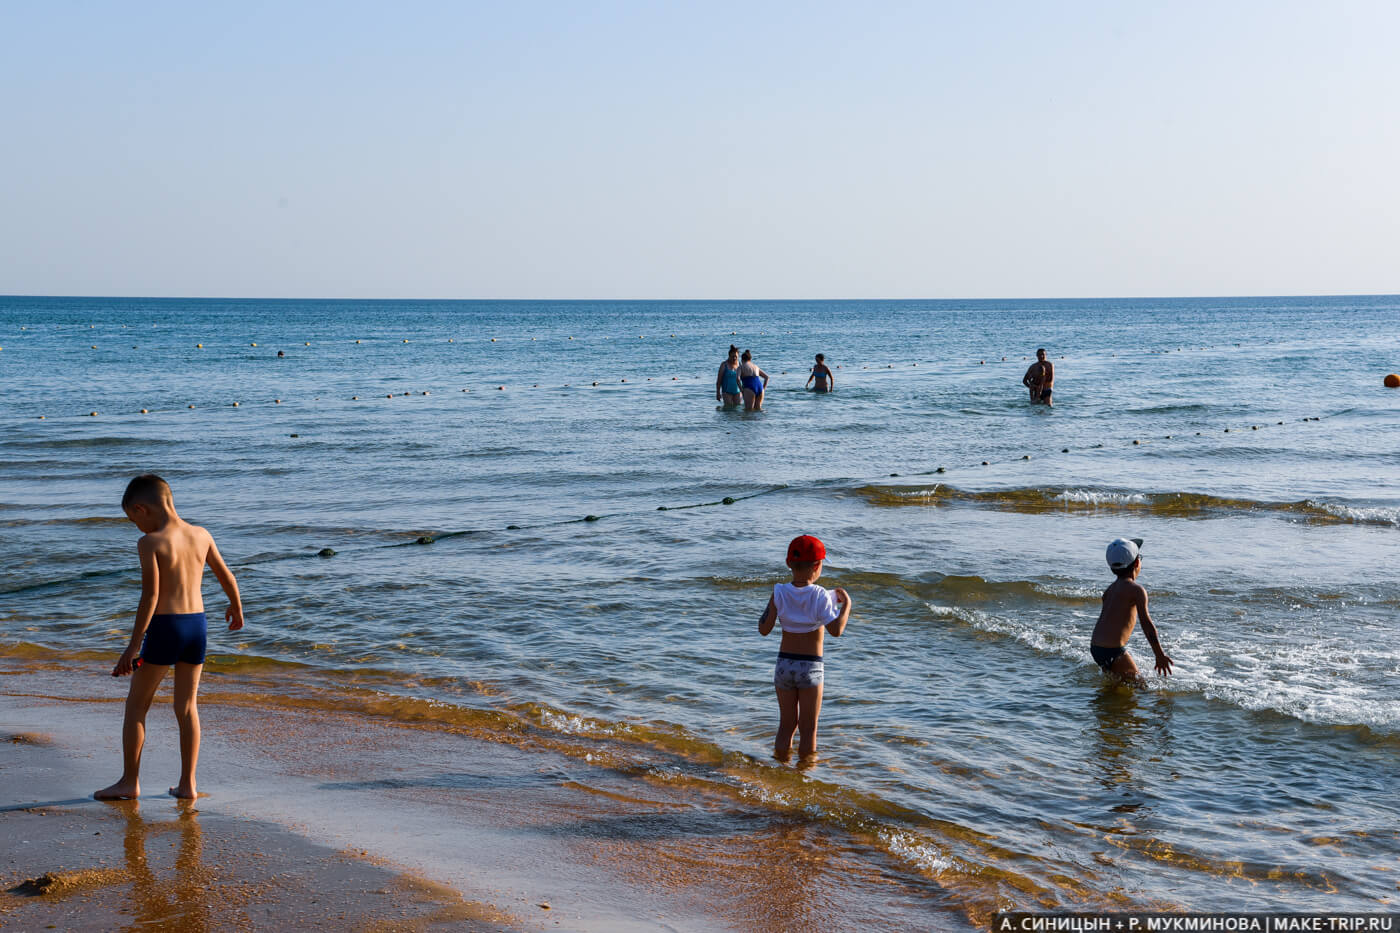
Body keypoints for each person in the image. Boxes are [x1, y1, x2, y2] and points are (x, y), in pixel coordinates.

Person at [96, 474, 244, 801]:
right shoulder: (201, 534)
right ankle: (188, 784)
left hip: (165, 627)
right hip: (197, 627)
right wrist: (236, 607)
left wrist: (133, 647)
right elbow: (226, 574)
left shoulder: (151, 542)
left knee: (136, 705)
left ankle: (129, 782)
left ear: (142, 508)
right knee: (187, 707)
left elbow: (150, 597)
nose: (136, 526)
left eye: (133, 519)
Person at [757, 535, 852, 761]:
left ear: (789, 563)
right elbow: (836, 630)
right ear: (817, 566)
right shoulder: (820, 595)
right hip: (810, 667)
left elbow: (763, 628)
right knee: (808, 729)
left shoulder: (779, 591)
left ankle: (780, 771)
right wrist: (847, 605)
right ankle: (804, 778)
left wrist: (774, 603)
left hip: (784, 665)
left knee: (786, 725)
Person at [1090, 537, 1172, 683]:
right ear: (1136, 563)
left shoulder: (1109, 590)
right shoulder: (1137, 590)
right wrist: (1159, 654)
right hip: (1113, 650)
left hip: (1097, 648)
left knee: (1118, 684)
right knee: (1142, 687)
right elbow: (1147, 625)